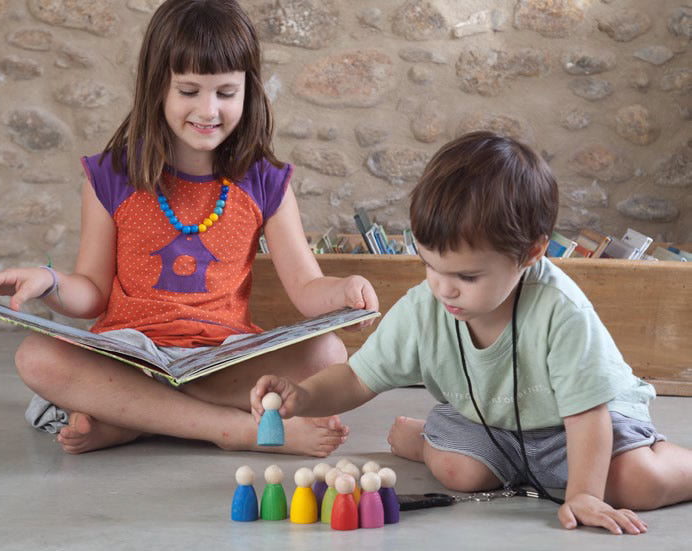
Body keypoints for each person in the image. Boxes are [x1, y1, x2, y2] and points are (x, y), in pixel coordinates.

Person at [251, 131, 692, 534]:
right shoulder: (426, 305)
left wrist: (584, 494)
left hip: (578, 423)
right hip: (493, 421)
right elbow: (355, 378)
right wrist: (303, 397)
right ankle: (426, 441)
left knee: (637, 483)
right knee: (458, 472)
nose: (443, 287)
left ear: (530, 254)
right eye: (430, 265)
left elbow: (587, 418)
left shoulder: (562, 312)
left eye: (467, 275)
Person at [0, 0, 378, 457]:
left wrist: (345, 291)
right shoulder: (112, 176)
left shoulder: (264, 181)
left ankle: (132, 419)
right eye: (189, 90)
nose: (208, 110)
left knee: (329, 355)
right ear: (158, 88)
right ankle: (232, 429)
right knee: (35, 357)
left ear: (248, 92)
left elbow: (307, 286)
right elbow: (91, 293)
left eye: (226, 92)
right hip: (128, 355)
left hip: (220, 360)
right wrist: (50, 282)